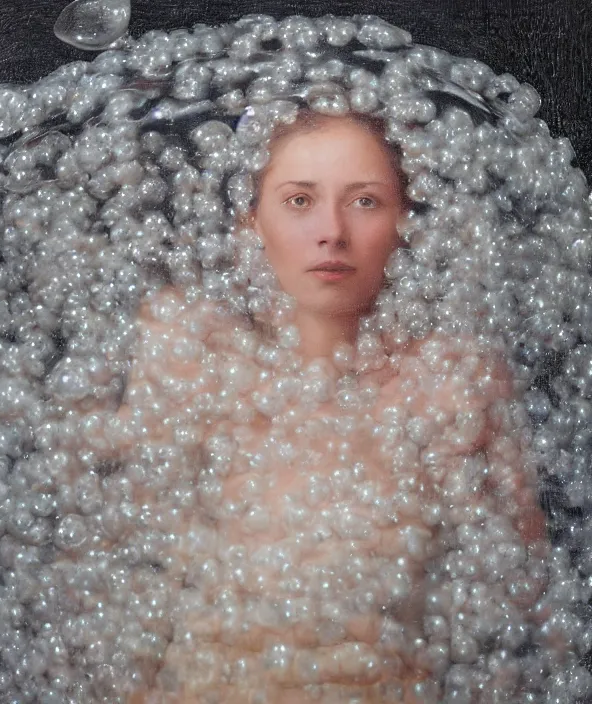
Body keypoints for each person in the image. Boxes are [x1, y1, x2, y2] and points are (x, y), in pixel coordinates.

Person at [73, 109, 548, 702]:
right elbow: (118, 595)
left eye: (365, 201)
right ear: (253, 222)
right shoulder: (198, 360)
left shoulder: (448, 382)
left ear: (405, 221)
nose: (332, 231)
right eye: (299, 200)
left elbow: (525, 617)